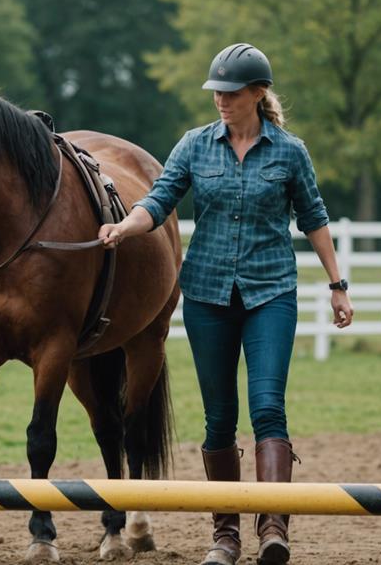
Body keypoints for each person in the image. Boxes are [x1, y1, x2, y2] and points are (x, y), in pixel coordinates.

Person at [98, 43, 353, 565]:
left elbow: (314, 218)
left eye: (231, 93)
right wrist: (125, 226)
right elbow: (159, 199)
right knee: (218, 419)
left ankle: (274, 525)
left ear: (258, 95)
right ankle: (226, 535)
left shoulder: (289, 151)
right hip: (209, 296)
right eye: (216, 92)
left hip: (271, 294)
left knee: (267, 408)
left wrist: (337, 285)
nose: (220, 101)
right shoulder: (194, 145)